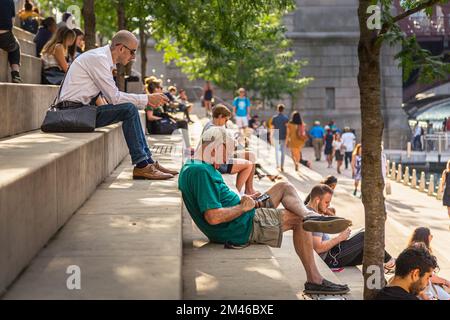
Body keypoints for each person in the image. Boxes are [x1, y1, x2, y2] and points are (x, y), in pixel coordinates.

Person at [179, 126, 353, 295]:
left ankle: (311, 214)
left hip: (243, 213)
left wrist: (247, 202)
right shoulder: (200, 172)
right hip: (240, 225)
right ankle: (315, 279)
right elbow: (213, 217)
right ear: (215, 147)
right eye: (227, 153)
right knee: (301, 221)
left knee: (284, 186)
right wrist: (242, 207)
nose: (226, 161)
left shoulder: (195, 165)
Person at [56, 30, 176, 180]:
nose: (133, 57)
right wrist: (147, 99)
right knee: (129, 109)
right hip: (73, 113)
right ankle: (142, 165)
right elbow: (115, 98)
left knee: (129, 109)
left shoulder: (102, 59)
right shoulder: (98, 59)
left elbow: (102, 95)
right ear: (120, 48)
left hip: (82, 111)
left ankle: (148, 162)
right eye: (132, 52)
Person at [307, 185, 395, 269]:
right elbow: (318, 248)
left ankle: (385, 269)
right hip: (329, 258)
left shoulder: (306, 211)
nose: (328, 205)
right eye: (326, 202)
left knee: (371, 252)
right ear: (317, 200)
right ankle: (390, 262)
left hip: (330, 255)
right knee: (365, 236)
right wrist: (340, 238)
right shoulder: (315, 218)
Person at [201, 105, 257, 195]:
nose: (226, 123)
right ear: (220, 116)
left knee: (251, 155)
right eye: (225, 120)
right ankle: (237, 194)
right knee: (248, 165)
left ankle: (249, 189)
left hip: (221, 156)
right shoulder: (213, 128)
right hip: (219, 162)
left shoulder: (210, 124)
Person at [145, 78, 190, 148]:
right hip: (157, 128)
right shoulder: (151, 101)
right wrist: (162, 118)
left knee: (182, 123)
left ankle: (187, 147)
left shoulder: (156, 99)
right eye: (161, 88)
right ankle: (188, 148)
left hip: (161, 125)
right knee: (183, 123)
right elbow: (150, 117)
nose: (162, 89)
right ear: (156, 89)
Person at [407, 227, 450, 300]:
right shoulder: (420, 252)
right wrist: (445, 281)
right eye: (430, 235)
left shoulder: (413, 249)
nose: (432, 237)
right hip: (422, 286)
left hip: (424, 285)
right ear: (425, 237)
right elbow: (429, 276)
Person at [0, 0, 22, 83]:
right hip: (4, 36)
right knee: (15, 47)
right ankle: (15, 73)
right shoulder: (10, 1)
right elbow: (12, 20)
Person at [271, 104, 289, 172]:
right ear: (283, 110)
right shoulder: (285, 118)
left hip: (276, 135)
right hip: (283, 135)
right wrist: (287, 137)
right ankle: (282, 166)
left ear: (277, 109)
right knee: (283, 151)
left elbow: (272, 128)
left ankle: (277, 165)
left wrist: (271, 137)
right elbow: (287, 128)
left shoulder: (274, 118)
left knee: (276, 151)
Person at [439, 160, 450, 229]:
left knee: (449, 209)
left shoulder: (445, 172)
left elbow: (443, 182)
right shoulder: (445, 172)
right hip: (448, 192)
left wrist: (441, 189)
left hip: (448, 192)